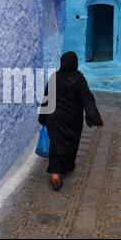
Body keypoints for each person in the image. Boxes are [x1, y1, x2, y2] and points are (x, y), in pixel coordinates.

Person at [39, 51, 103, 191]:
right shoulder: (79, 79)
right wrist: (96, 119)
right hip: (72, 119)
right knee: (70, 142)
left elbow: (46, 98)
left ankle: (56, 173)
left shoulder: (54, 77)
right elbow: (87, 99)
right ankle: (64, 168)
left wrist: (43, 118)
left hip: (54, 117)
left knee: (56, 143)